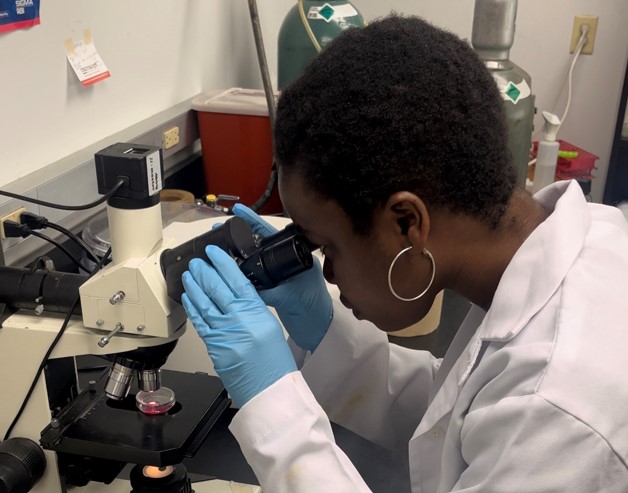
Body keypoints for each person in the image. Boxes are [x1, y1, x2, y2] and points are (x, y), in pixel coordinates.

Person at [181, 15, 628, 492]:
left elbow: (514, 413)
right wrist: (326, 336)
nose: (327, 274)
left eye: (329, 246)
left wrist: (273, 404)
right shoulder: (582, 243)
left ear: (406, 223)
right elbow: (455, 412)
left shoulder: (556, 405)